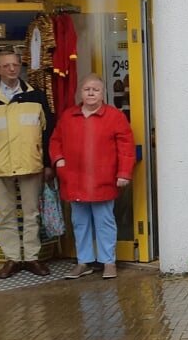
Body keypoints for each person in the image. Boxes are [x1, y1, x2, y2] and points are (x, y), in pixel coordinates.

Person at [0, 49, 54, 279]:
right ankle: (12, 259)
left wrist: (46, 161)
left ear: (21, 68)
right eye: (6, 66)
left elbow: (48, 130)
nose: (11, 69)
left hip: (30, 162)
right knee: (6, 213)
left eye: (15, 65)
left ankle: (31, 257)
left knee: (32, 213)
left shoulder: (35, 95)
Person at [49, 74, 135, 280]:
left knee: (104, 221)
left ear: (102, 93)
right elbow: (55, 141)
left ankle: (108, 262)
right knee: (80, 223)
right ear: (81, 93)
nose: (90, 93)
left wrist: (124, 173)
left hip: (102, 180)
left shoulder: (115, 117)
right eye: (87, 89)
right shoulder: (69, 116)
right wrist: (59, 160)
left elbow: (126, 148)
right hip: (75, 180)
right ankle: (83, 261)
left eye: (95, 89)